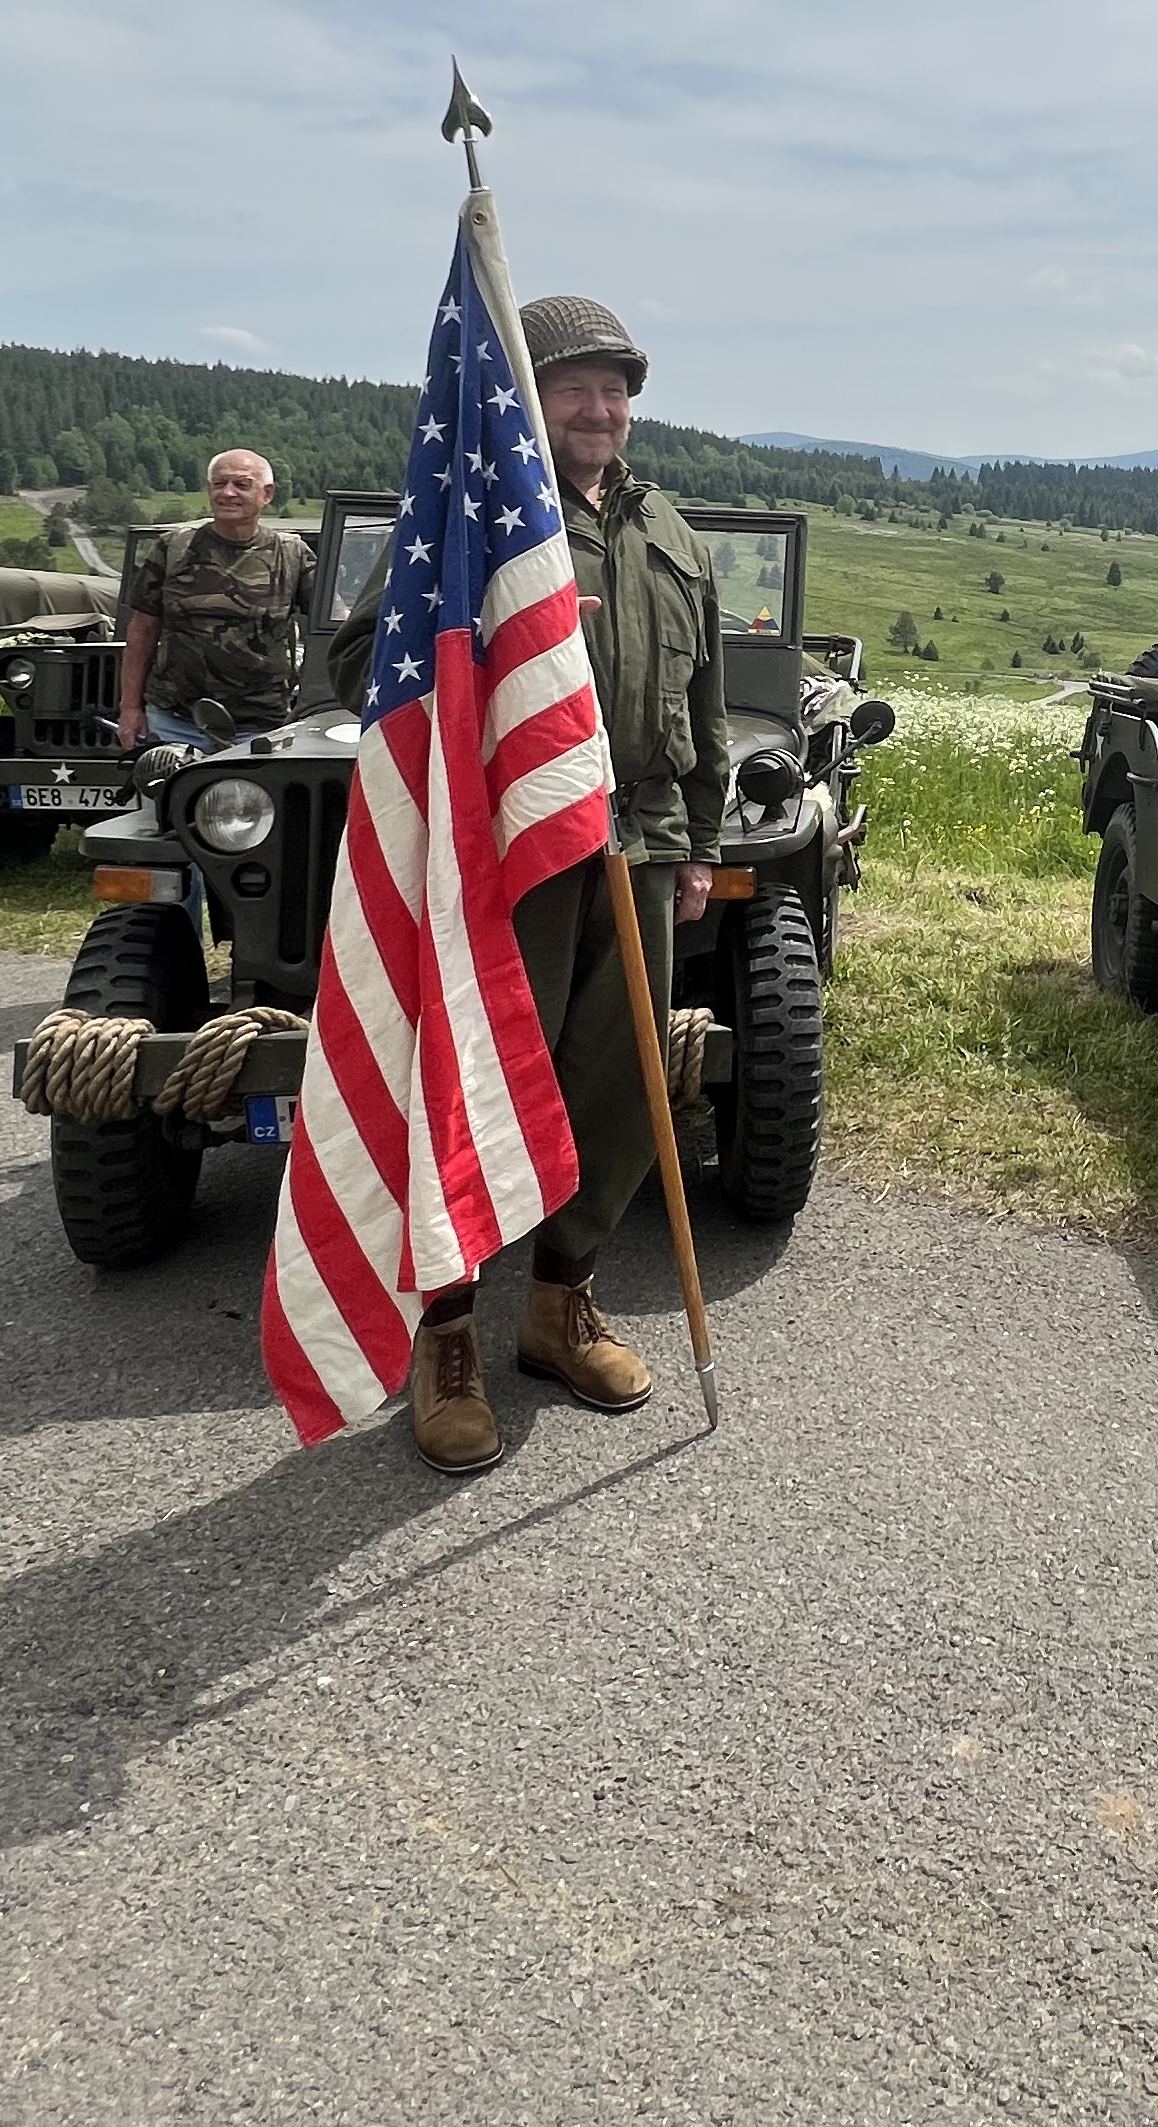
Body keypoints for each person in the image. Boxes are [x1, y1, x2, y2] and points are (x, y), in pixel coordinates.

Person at [403, 294, 730, 1475]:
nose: (599, 409)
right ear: (528, 400)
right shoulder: (475, 522)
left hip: (640, 843)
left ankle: (559, 1305)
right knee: (480, 1084)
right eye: (573, 387)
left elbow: (703, 702)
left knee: (619, 1083)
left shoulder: (669, 529)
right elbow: (365, 665)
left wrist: (700, 844)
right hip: (517, 851)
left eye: (614, 389)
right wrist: (502, 643)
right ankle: (447, 1337)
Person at [113, 450, 318, 751]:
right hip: (175, 722)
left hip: (265, 726)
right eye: (219, 484)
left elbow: (334, 627)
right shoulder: (174, 548)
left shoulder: (292, 554)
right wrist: (130, 708)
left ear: (267, 494)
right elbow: (142, 630)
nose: (228, 493)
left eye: (242, 484)